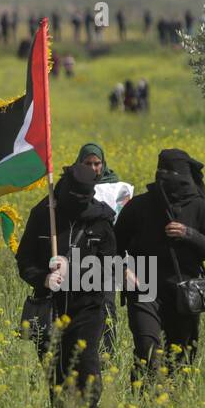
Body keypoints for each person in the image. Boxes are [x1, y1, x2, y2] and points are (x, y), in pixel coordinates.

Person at [115, 149, 205, 390]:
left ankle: (174, 401)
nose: (164, 177)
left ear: (184, 175)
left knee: (181, 355)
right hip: (144, 284)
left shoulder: (199, 208)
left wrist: (189, 234)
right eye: (161, 171)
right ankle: (144, 402)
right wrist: (123, 270)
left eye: (171, 172)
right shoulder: (139, 206)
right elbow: (113, 245)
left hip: (184, 287)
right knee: (147, 347)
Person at [16, 163, 117, 408]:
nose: (80, 203)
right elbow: (24, 260)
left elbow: (111, 267)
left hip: (87, 307)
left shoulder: (101, 220)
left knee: (87, 371)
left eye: (86, 197)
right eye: (75, 197)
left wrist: (72, 271)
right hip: (50, 307)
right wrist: (43, 278)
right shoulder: (43, 214)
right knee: (57, 377)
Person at [74, 143, 134, 356]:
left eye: (97, 163)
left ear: (103, 163)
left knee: (107, 307)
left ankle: (108, 356)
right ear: (80, 163)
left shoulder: (116, 187)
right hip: (78, 259)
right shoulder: (71, 187)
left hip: (107, 257)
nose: (93, 168)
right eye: (87, 163)